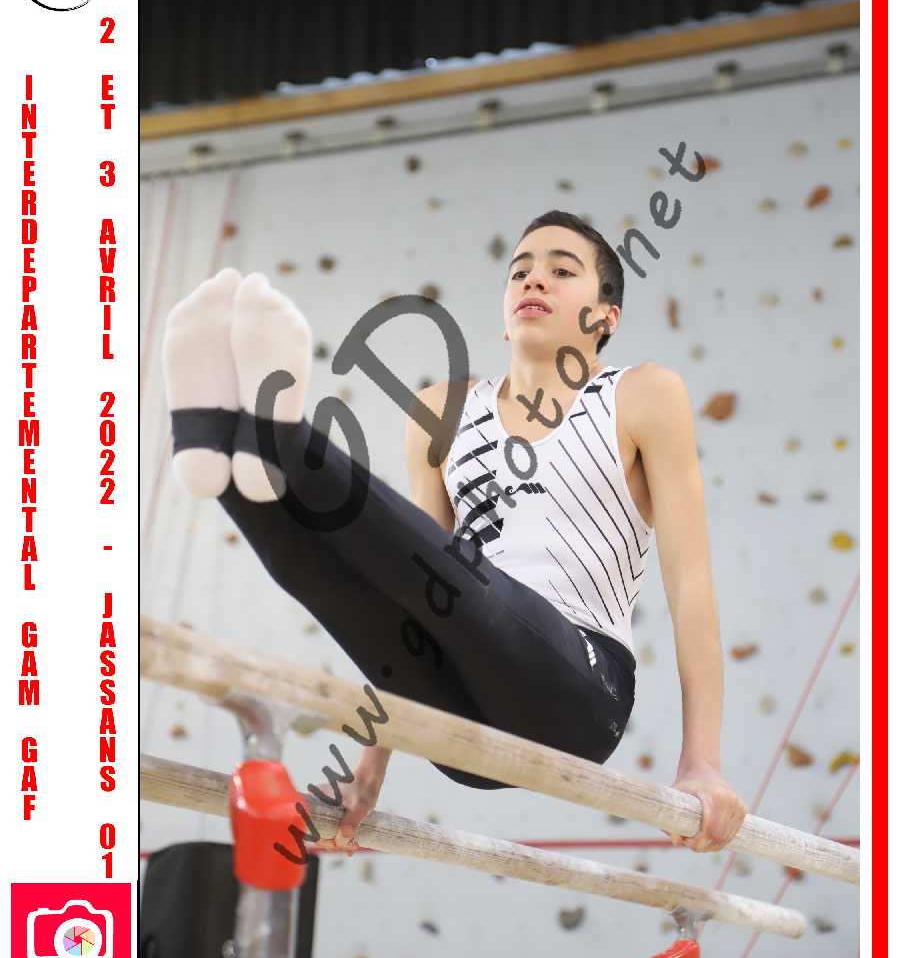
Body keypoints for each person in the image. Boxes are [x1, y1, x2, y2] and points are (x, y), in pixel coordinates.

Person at [161, 209, 747, 857]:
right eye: (520, 272)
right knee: (347, 585)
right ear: (504, 314)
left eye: (562, 271)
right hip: (458, 727)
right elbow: (407, 571)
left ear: (607, 317)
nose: (534, 281)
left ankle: (283, 438)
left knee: (468, 585)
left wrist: (703, 763)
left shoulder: (643, 395)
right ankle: (224, 443)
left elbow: (691, 585)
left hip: (578, 701)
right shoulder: (442, 409)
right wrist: (368, 769)